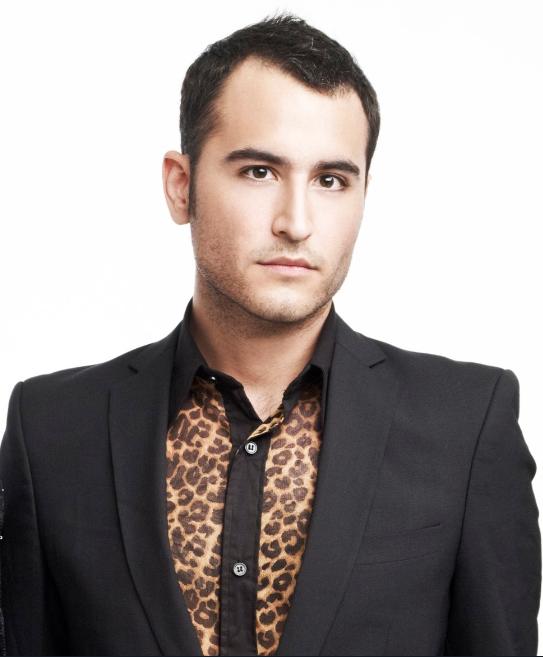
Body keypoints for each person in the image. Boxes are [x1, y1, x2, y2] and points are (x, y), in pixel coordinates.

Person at [0, 11, 540, 657]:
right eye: (259, 171)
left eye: (331, 180)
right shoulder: (52, 430)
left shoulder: (464, 426)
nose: (296, 222)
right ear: (181, 186)